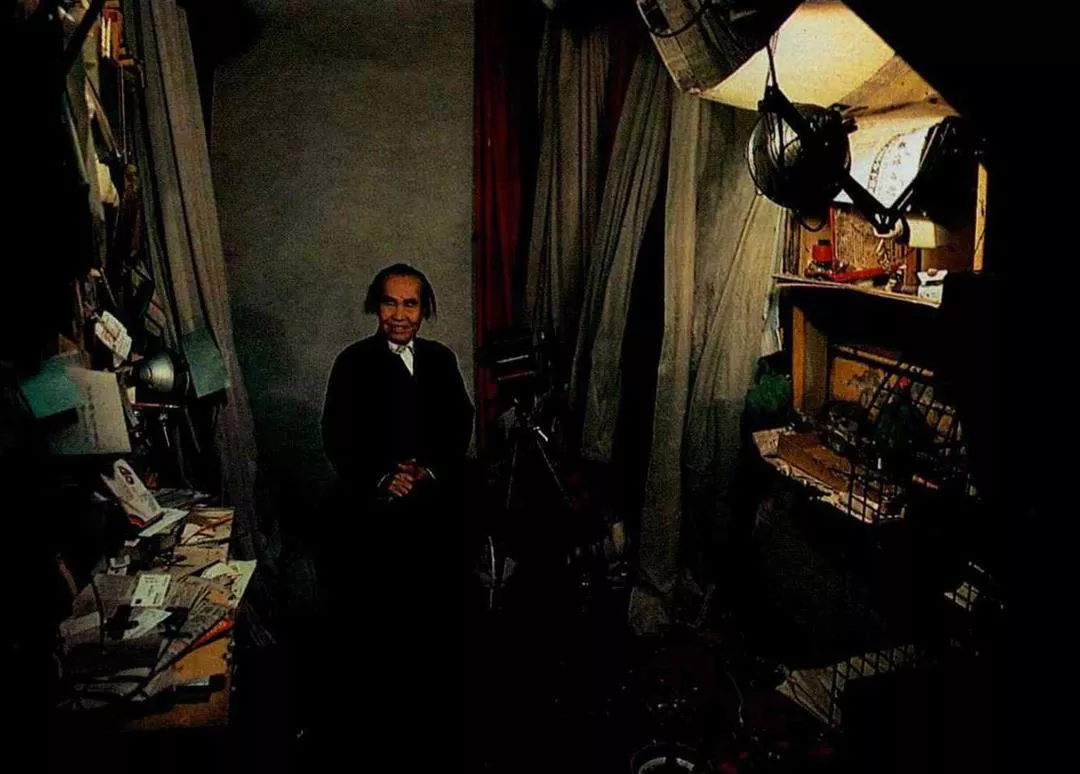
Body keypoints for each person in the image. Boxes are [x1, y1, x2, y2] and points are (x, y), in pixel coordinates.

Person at [321, 262, 473, 523]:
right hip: (373, 500)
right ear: (377, 307)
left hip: (437, 493)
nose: (399, 315)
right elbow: (337, 434)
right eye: (389, 303)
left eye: (410, 304)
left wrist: (429, 470)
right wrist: (382, 479)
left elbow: (460, 420)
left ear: (423, 310)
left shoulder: (441, 358)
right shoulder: (352, 361)